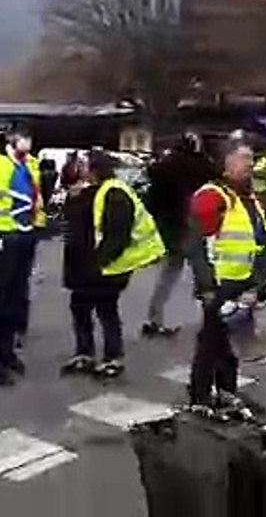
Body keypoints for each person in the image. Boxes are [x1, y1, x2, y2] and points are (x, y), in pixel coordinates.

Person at [60, 150, 165, 378]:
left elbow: (118, 234)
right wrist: (74, 196)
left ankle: (113, 357)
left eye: (84, 164)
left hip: (104, 267)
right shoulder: (89, 191)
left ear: (95, 169)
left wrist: (100, 261)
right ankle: (84, 353)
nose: (80, 168)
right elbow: (73, 220)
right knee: (81, 308)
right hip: (84, 265)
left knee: (106, 310)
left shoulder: (114, 193)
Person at [187, 135, 266, 406]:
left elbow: (259, 243)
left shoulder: (249, 198)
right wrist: (207, 286)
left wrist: (259, 284)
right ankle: (201, 397)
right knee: (211, 344)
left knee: (227, 343)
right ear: (226, 162)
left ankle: (226, 391)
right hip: (219, 285)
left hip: (243, 283)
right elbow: (196, 245)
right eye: (244, 158)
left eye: (251, 158)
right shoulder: (212, 196)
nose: (250, 164)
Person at [0, 125, 45, 387]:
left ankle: (6, 352)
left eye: (30, 138)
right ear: (11, 140)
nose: (27, 143)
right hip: (4, 239)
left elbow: (35, 197)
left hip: (25, 236)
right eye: (23, 138)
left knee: (17, 299)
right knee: (2, 301)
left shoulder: (31, 164)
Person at [142, 135, 216, 337]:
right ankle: (213, 318)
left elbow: (152, 195)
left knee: (169, 272)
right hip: (191, 221)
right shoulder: (197, 164)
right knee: (202, 270)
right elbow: (213, 176)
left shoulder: (164, 166)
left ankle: (154, 318)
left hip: (169, 225)